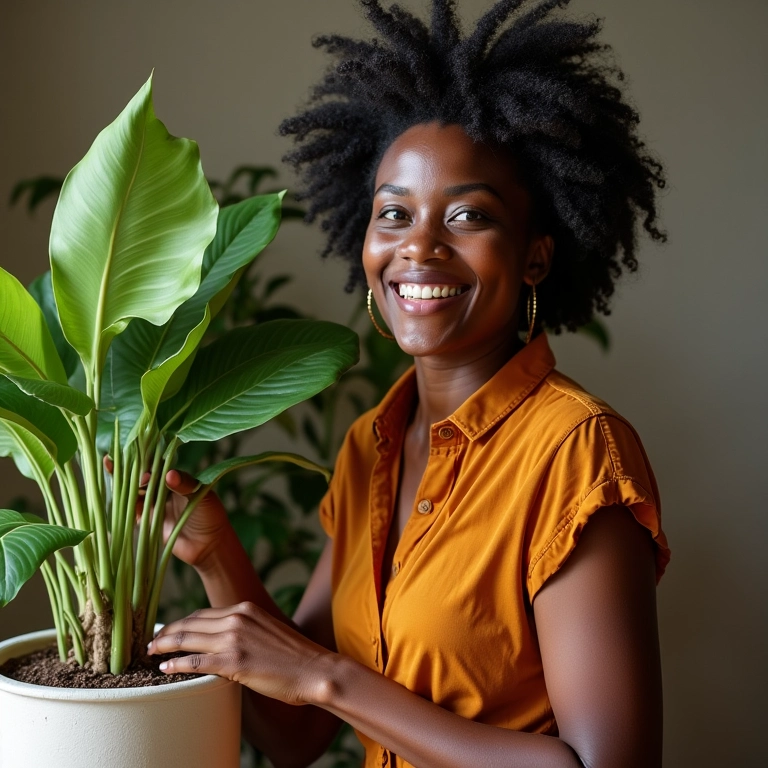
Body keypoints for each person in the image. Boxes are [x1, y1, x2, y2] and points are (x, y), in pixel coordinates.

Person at [148, 2, 671, 766]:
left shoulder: (576, 452)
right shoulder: (371, 447)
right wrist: (217, 553)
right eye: (393, 213)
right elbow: (291, 734)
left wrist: (328, 677)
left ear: (535, 258)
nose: (418, 246)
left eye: (468, 216)